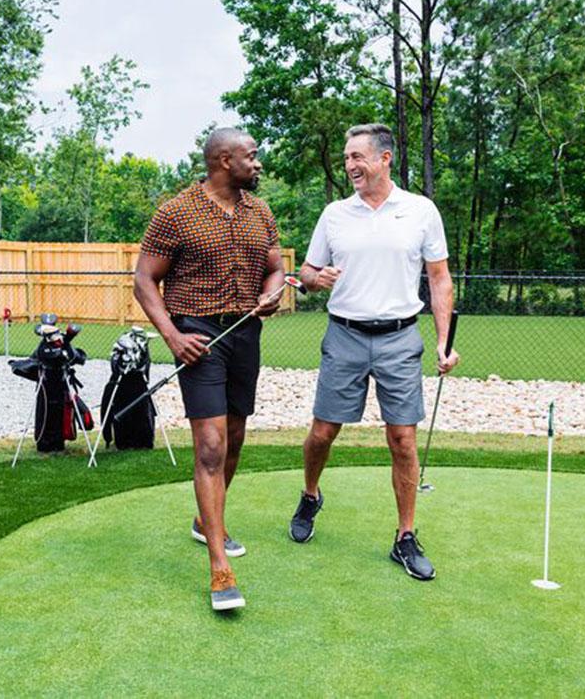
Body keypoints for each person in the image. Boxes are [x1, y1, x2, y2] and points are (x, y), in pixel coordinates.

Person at [288, 123, 459, 581]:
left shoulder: (420, 211)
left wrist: (445, 341)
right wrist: (312, 279)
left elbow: (439, 278)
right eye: (346, 158)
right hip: (343, 334)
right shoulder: (334, 214)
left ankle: (404, 537)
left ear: (385, 159)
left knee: (402, 438)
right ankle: (310, 495)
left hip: (400, 337)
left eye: (357, 157)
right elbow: (306, 271)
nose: (349, 166)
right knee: (323, 432)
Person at [134, 127, 285, 611]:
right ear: (224, 161)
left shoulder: (260, 211)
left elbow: (276, 266)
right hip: (197, 336)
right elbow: (144, 281)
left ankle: (205, 523)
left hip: (244, 334)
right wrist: (173, 337)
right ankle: (220, 567)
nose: (258, 164)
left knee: (235, 437)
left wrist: (272, 291)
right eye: (252, 156)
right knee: (212, 446)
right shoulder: (176, 213)